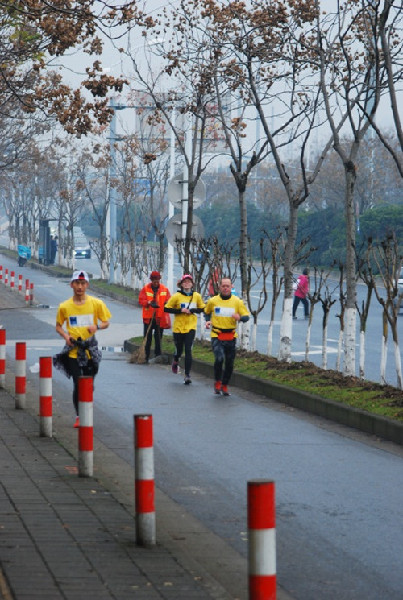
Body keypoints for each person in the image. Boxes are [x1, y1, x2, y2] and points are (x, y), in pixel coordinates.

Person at [54, 270, 111, 428]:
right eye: (77, 283)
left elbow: (106, 322)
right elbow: (58, 326)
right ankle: (80, 415)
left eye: (83, 283)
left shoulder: (96, 303)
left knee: (89, 385)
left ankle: (86, 407)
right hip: (73, 352)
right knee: (78, 384)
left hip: (90, 351)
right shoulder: (64, 306)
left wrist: (97, 326)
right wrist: (66, 337)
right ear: (71, 285)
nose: (80, 286)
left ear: (87, 285)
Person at [204, 277, 250, 396]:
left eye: (227, 286)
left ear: (231, 287)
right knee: (219, 359)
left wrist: (239, 318)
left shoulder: (237, 301)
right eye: (223, 286)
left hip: (230, 336)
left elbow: (246, 316)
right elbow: (207, 311)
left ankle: (225, 384)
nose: (225, 288)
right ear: (219, 287)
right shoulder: (213, 300)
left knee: (229, 362)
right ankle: (217, 382)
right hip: (217, 335)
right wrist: (208, 321)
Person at [164, 274, 205, 385]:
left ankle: (187, 375)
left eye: (189, 282)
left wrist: (192, 310)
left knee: (188, 350)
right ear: (181, 284)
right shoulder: (176, 296)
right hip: (178, 328)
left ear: (192, 284)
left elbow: (202, 308)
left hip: (191, 327)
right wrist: (179, 311)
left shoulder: (196, 296)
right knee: (179, 350)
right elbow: (166, 308)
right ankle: (176, 360)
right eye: (185, 282)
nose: (187, 284)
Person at [138, 271, 171, 362]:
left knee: (158, 337)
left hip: (159, 317)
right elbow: (141, 300)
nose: (156, 282)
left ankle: (157, 355)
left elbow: (168, 299)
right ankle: (145, 356)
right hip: (148, 318)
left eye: (157, 280)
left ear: (159, 280)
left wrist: (166, 303)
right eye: (154, 280)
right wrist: (148, 303)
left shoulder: (164, 289)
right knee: (147, 338)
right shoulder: (146, 289)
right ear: (151, 280)